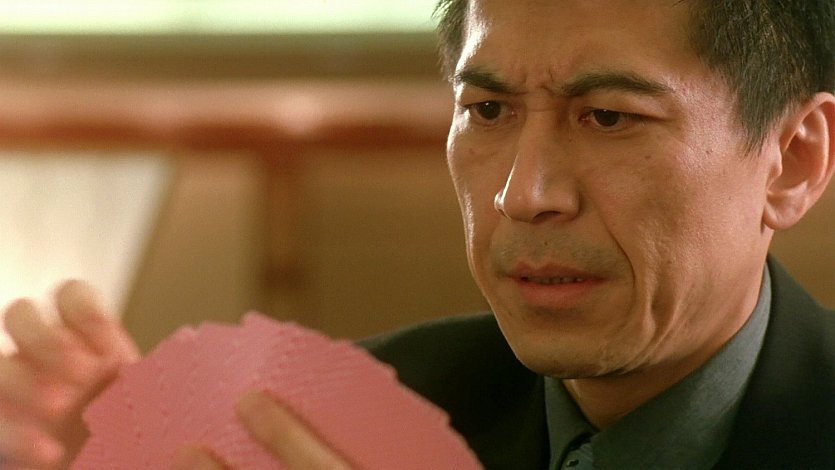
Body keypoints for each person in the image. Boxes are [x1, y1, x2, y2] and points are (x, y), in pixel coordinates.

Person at [1, 0, 834, 468]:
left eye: (608, 117)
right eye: (488, 111)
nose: (522, 194)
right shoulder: (364, 410)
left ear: (792, 161)